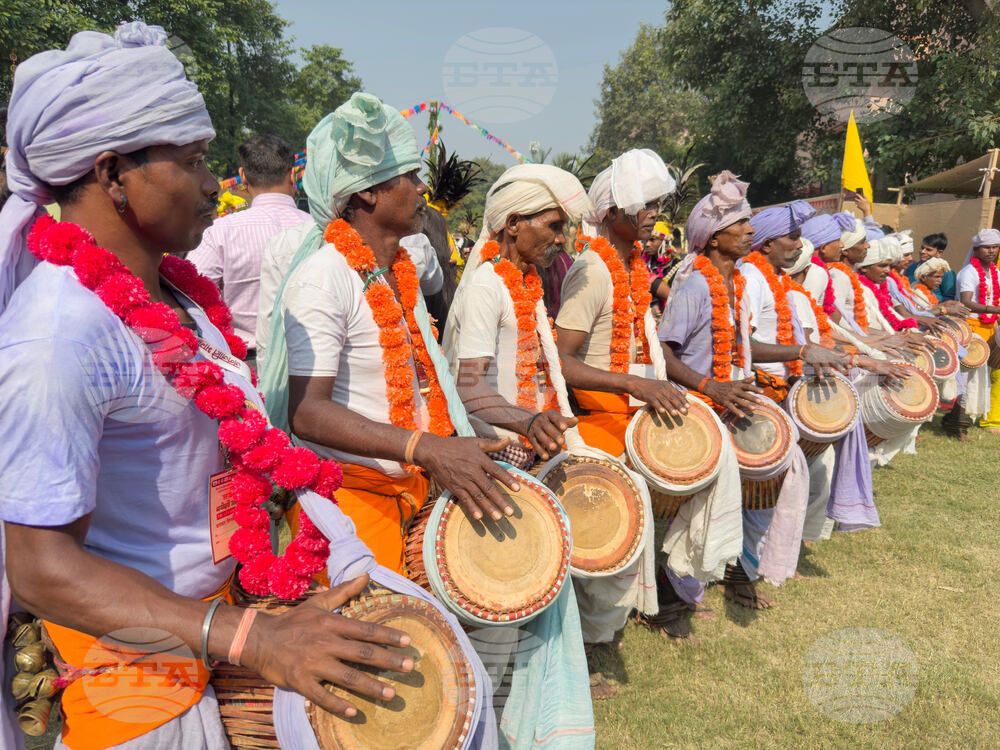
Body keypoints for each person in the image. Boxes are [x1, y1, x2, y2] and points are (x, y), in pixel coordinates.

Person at [0, 25, 502, 750]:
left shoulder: (184, 301)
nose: (216, 184)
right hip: (144, 679)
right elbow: (42, 568)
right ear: (112, 175)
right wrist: (252, 640)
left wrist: (301, 577)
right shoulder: (59, 334)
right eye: (196, 162)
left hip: (236, 624)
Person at [257, 92, 519, 575]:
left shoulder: (398, 271)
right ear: (368, 193)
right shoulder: (324, 277)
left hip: (417, 491)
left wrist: (471, 432)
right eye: (411, 177)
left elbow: (420, 387)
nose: (423, 189)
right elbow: (307, 413)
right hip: (354, 505)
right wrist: (424, 447)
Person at [555, 149, 689, 646]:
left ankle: (649, 603)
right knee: (612, 526)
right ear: (612, 212)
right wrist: (633, 384)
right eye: (645, 203)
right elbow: (562, 361)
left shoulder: (635, 268)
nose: (655, 211)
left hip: (636, 415)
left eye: (657, 201)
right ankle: (590, 639)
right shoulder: (591, 269)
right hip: (597, 422)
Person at [188, 134, 309, 367]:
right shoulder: (321, 230)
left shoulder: (221, 231)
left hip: (247, 364)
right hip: (313, 364)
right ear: (293, 175)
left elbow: (190, 294)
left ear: (243, 176)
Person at [957, 229, 1000, 431]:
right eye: (986, 247)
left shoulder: (996, 273)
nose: (991, 251)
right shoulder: (969, 273)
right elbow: (966, 302)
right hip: (971, 327)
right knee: (967, 378)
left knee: (988, 375)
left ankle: (983, 417)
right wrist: (994, 309)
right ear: (976, 249)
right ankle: (958, 423)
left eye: (994, 247)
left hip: (991, 327)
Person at [907, 232, 957, 300]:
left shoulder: (946, 272)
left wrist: (929, 299)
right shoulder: (911, 268)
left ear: (939, 253)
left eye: (928, 250)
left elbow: (949, 298)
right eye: (922, 248)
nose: (923, 251)